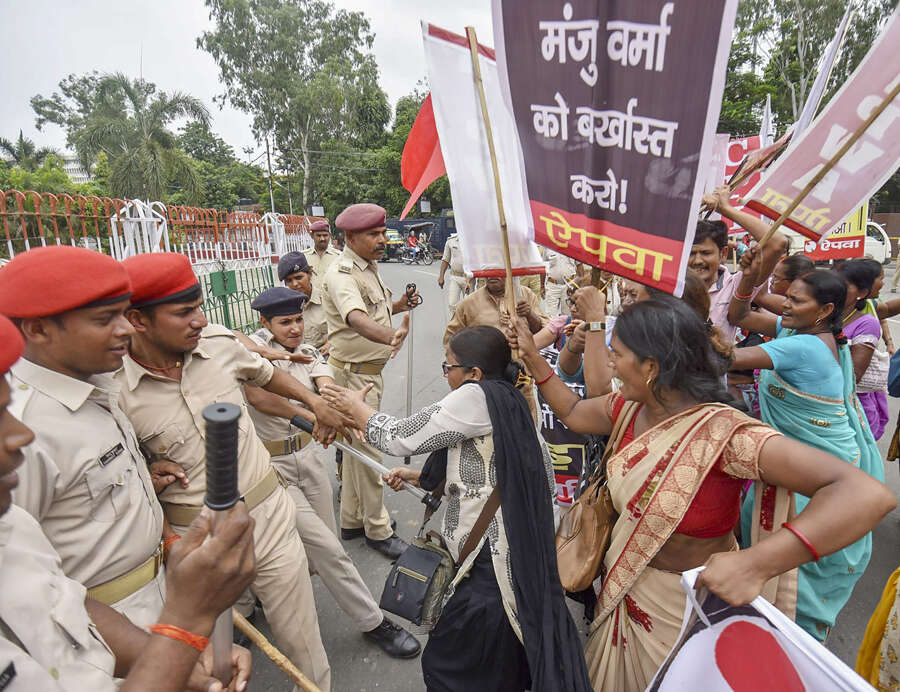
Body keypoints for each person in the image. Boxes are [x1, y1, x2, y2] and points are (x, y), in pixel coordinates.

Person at [510, 295, 895, 691]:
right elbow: (573, 411)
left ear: (651, 367)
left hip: (686, 615)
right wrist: (532, 356)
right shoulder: (627, 408)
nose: (610, 364)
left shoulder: (724, 436)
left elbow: (866, 495)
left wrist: (757, 564)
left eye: (616, 354)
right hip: (622, 596)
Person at [321, 326, 592, 692]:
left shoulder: (476, 397)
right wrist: (422, 476)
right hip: (508, 559)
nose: (444, 373)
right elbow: (489, 469)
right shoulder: (508, 398)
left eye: (448, 366)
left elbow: (401, 436)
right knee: (497, 659)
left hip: (490, 565)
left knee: (454, 665)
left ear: (474, 374)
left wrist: (357, 408)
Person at [115, 252, 338, 691]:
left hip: (268, 516)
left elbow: (265, 374)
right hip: (194, 544)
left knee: (302, 640)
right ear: (137, 320)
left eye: (199, 307)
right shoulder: (112, 387)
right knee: (212, 662)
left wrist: (313, 402)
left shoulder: (218, 344)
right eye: (184, 312)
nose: (200, 320)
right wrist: (147, 469)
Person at [0, 313, 254, 692]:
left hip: (149, 605)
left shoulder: (11, 530)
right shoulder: (37, 428)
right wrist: (186, 626)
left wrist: (176, 649)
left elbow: (62, 607)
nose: (20, 435)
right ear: (39, 330)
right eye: (103, 317)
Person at [243, 287, 421, 658]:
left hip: (308, 459)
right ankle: (373, 621)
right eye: (284, 322)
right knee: (329, 552)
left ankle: (256, 593)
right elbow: (261, 396)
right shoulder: (248, 355)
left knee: (320, 548)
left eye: (297, 319)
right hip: (269, 469)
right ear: (264, 322)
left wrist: (339, 408)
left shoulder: (308, 352)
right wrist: (314, 416)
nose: (294, 328)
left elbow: (325, 384)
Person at [0, 246, 168, 630]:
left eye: (124, 313)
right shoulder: (26, 431)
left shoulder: (94, 381)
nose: (126, 328)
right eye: (104, 319)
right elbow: (22, 580)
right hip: (104, 634)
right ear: (39, 329)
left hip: (158, 597)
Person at [729, 258, 887, 640]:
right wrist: (749, 276)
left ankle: (793, 642)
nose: (785, 304)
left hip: (814, 474)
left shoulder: (804, 347)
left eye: (797, 301)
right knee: (771, 548)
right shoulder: (800, 331)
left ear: (826, 310)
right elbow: (740, 314)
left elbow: (725, 358)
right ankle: (766, 626)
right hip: (796, 464)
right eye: (788, 296)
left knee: (796, 562)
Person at [321, 203, 419, 559]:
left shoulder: (368, 267)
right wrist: (389, 336)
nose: (383, 240)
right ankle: (378, 529)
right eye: (374, 235)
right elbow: (357, 318)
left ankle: (350, 520)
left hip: (364, 372)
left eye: (382, 233)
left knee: (355, 450)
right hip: (352, 376)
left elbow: (376, 309)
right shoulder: (342, 273)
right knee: (367, 449)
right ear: (351, 237)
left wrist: (399, 305)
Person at [695, 185, 788, 343]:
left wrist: (725, 209)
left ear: (723, 254)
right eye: (691, 253)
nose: (697, 261)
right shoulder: (672, 283)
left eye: (706, 253)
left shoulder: (736, 285)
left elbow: (777, 243)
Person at [837, 259, 890, 439]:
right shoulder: (823, 312)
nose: (883, 283)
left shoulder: (867, 320)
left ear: (861, 292)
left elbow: (853, 377)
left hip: (851, 400)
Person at [443, 276, 547, 348]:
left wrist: (529, 315)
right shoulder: (469, 302)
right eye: (489, 270)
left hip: (522, 372)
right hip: (484, 372)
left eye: (498, 269)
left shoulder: (525, 294)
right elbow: (450, 339)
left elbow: (545, 332)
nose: (492, 275)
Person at [278, 251, 328, 353]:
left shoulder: (328, 300)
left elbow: (346, 330)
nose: (295, 284)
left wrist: (331, 344)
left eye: (299, 277)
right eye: (289, 280)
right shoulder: (281, 307)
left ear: (310, 273)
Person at [438, 233, 470, 319]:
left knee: (468, 306)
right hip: (455, 277)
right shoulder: (451, 241)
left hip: (470, 279)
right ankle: (456, 326)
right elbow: (445, 259)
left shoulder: (473, 241)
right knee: (452, 304)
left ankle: (468, 328)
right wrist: (441, 276)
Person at [543, 249, 578, 318]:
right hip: (552, 285)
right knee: (550, 315)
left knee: (568, 315)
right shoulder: (548, 246)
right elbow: (544, 267)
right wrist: (542, 286)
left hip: (569, 285)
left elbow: (579, 266)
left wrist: (579, 287)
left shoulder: (573, 245)